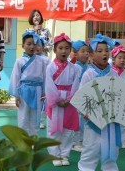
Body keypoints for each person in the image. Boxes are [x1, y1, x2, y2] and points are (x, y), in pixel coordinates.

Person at [78, 34, 121, 171]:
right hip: (93, 121)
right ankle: (85, 168)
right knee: (91, 149)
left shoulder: (114, 73)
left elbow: (120, 94)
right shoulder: (88, 74)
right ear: (91, 55)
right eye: (99, 50)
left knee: (111, 149)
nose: (104, 53)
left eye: (106, 50)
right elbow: (81, 97)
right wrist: (85, 112)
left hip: (110, 121)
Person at [44, 33, 81, 167]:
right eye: (60, 48)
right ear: (54, 50)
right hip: (55, 101)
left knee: (67, 130)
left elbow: (76, 84)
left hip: (69, 102)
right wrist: (57, 99)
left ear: (70, 50)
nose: (64, 51)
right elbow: (49, 85)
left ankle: (64, 154)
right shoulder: (50, 68)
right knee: (54, 129)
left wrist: (70, 99)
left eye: (67, 48)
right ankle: (54, 154)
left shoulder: (74, 68)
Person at [9, 31, 46, 136]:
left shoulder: (41, 61)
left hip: (38, 91)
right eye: (28, 44)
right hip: (24, 90)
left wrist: (44, 92)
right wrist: (16, 95)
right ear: (23, 45)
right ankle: (23, 140)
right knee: (23, 116)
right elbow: (15, 77)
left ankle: (33, 140)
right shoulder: (19, 61)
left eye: (34, 44)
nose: (31, 47)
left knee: (35, 117)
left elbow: (45, 77)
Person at [110, 44, 125, 149]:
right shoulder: (110, 72)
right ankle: (112, 140)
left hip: (123, 100)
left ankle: (123, 140)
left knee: (123, 122)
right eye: (119, 58)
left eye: (124, 58)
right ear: (113, 59)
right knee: (112, 122)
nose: (122, 60)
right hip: (112, 101)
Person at [70, 40, 89, 152]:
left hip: (86, 98)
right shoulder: (74, 67)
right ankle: (75, 142)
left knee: (85, 121)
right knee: (76, 121)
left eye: (87, 51)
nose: (86, 53)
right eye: (83, 51)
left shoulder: (89, 67)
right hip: (76, 98)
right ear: (75, 54)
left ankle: (82, 141)